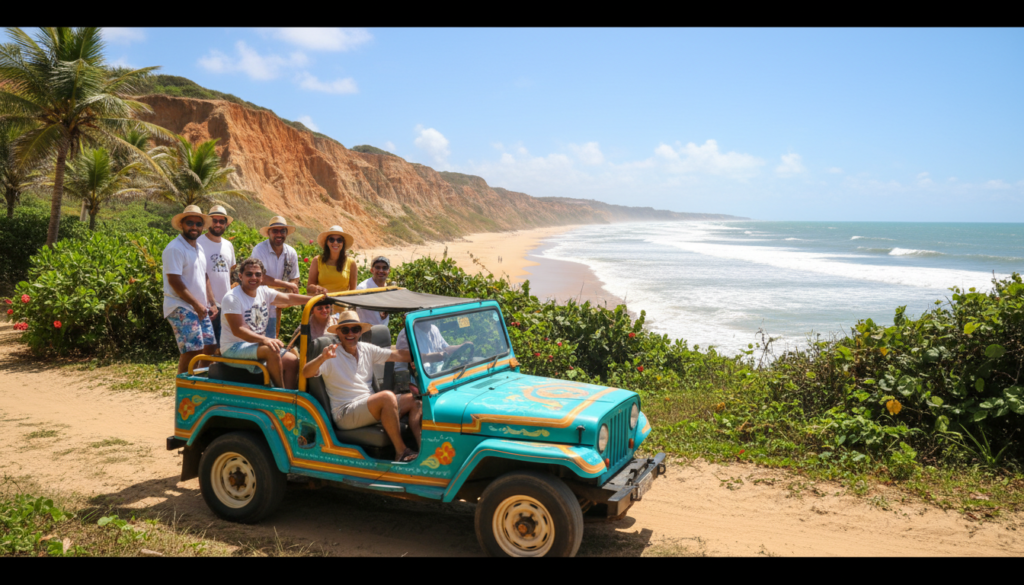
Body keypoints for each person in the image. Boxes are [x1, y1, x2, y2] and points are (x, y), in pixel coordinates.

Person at [301, 311, 421, 462]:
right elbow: (306, 373)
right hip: (345, 412)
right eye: (345, 330)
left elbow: (397, 355)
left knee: (415, 400)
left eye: (355, 329)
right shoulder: (331, 354)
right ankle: (401, 452)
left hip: (367, 405)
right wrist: (322, 357)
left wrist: (427, 355)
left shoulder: (366, 348)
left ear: (360, 332)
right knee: (387, 397)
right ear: (338, 332)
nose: (350, 334)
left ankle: (423, 453)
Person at [220, 257, 314, 389]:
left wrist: (315, 299)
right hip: (234, 347)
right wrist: (265, 340)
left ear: (262, 277)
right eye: (249, 274)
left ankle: (291, 400)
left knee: (293, 361)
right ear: (240, 276)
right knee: (271, 350)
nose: (254, 277)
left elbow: (288, 298)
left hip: (255, 344)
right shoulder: (232, 298)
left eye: (258, 274)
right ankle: (280, 393)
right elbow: (238, 330)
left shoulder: (263, 291)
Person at [163, 205, 219, 376]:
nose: (194, 227)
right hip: (181, 306)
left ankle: (199, 384)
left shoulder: (199, 248)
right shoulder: (175, 248)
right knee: (192, 351)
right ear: (182, 225)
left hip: (199, 307)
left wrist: (212, 303)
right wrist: (196, 304)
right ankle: (184, 389)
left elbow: (204, 276)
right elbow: (174, 281)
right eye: (190, 223)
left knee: (208, 347)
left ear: (203, 227)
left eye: (198, 224)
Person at [251, 216, 301, 338]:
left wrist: (290, 289)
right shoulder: (259, 250)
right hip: (259, 303)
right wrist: (286, 285)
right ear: (269, 233)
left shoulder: (291, 252)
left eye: (282, 231)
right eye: (275, 231)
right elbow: (259, 277)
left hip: (278, 303)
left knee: (273, 337)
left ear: (286, 233)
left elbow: (295, 277)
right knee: (258, 339)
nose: (279, 234)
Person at [196, 205, 236, 351]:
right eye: (214, 220)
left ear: (226, 224)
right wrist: (210, 302)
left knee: (222, 345)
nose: (218, 224)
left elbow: (230, 273)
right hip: (206, 304)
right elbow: (201, 274)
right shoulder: (199, 243)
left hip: (225, 304)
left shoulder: (228, 245)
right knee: (207, 346)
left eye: (221, 221)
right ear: (209, 222)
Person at [395, 321, 474, 393]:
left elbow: (446, 348)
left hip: (435, 374)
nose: (428, 321)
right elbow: (411, 360)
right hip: (412, 378)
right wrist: (436, 357)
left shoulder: (434, 329)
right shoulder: (407, 334)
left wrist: (462, 346)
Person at [308, 225, 357, 295]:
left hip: (342, 304)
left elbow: (353, 291)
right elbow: (309, 287)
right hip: (322, 304)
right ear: (327, 242)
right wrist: (317, 288)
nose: (335, 242)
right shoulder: (317, 260)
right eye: (331, 239)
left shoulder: (351, 263)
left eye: (339, 240)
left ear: (343, 243)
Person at [355, 255, 390, 327]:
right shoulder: (363, 288)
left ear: (388, 271)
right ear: (372, 270)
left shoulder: (390, 289)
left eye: (384, 268)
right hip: (365, 331)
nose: (381, 271)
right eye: (377, 267)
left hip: (383, 331)